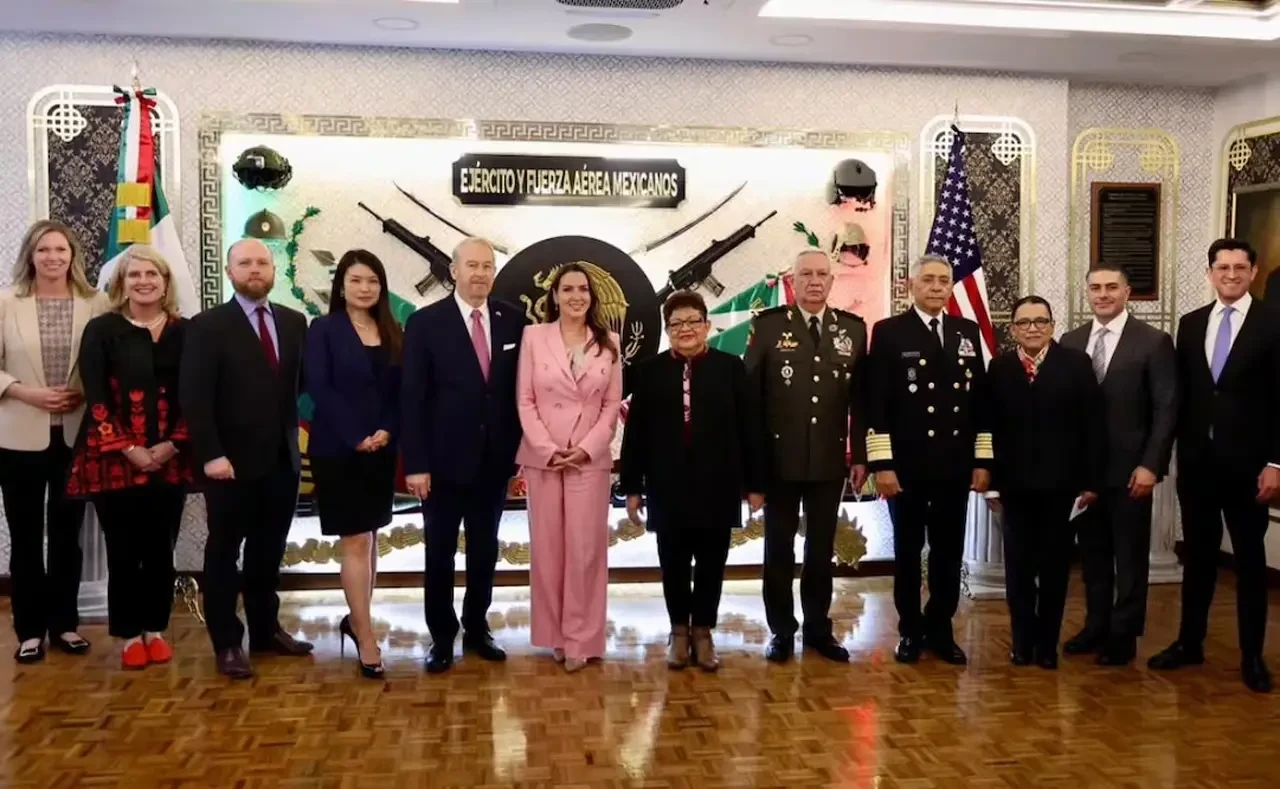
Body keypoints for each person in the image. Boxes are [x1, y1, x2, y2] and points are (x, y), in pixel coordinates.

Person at [1148, 238, 1280, 693]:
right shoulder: (1191, 324)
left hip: (1251, 468)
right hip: (1198, 466)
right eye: (1222, 267)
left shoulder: (1273, 322)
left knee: (1250, 562)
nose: (1231, 275)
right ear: (1210, 273)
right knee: (1199, 559)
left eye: (1239, 267)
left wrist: (1276, 462)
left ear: (1253, 272)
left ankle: (1252, 657)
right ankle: (1190, 644)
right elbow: (1183, 396)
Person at [179, 238, 312, 680]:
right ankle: (227, 642)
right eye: (244, 263)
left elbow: (300, 387)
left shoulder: (294, 322)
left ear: (272, 269)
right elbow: (195, 397)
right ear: (230, 271)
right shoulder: (207, 325)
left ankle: (266, 630)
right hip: (229, 465)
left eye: (261, 262)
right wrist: (211, 454)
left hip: (282, 461)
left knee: (268, 553)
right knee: (223, 553)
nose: (254, 269)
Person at [620, 291, 765, 671]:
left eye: (692, 322)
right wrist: (632, 487)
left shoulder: (731, 367)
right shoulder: (649, 371)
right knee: (673, 562)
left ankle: (703, 631)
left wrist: (755, 484)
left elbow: (749, 428)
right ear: (667, 330)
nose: (685, 329)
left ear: (707, 325)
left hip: (718, 483)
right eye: (676, 324)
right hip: (667, 485)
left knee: (712, 562)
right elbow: (636, 434)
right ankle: (679, 632)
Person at [402, 237, 528, 674]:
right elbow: (412, 398)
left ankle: (477, 626)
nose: (480, 273)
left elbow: (517, 392)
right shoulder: (424, 323)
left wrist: (518, 454)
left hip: (494, 462)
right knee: (438, 553)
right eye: (472, 265)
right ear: (453, 271)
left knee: (485, 550)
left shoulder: (513, 320)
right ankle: (441, 635)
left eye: (487, 266)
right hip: (440, 464)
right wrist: (416, 464)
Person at [66, 244, 193, 670]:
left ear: (166, 283)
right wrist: (129, 448)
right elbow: (97, 398)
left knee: (161, 549)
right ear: (121, 283)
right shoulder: (102, 330)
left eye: (152, 274)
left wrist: (173, 444)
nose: (144, 281)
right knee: (123, 550)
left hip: (171, 457)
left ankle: (155, 629)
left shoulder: (185, 332)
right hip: (114, 459)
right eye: (134, 274)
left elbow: (195, 395)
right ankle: (129, 635)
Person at [865, 253, 992, 666]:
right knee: (907, 552)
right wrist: (882, 465)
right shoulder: (889, 332)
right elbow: (877, 404)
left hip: (954, 467)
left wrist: (982, 460)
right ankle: (909, 630)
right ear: (911, 286)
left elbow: (980, 404)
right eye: (929, 280)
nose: (937, 287)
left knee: (948, 552)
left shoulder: (966, 331)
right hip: (907, 469)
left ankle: (940, 628)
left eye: (943, 280)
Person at [745, 248, 868, 664]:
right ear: (792, 281)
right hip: (779, 460)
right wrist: (754, 471)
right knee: (779, 549)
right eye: (806, 274)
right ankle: (781, 629)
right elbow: (751, 401)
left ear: (832, 281)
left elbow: (860, 401)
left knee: (820, 550)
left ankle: (817, 628)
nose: (815, 281)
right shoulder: (768, 326)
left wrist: (860, 456)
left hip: (828, 461)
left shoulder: (852, 330)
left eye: (822, 275)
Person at [0, 219, 109, 664]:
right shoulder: (6, 302)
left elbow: (106, 362)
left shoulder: (96, 302)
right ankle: (29, 631)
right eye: (43, 249)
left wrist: (84, 392)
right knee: (26, 536)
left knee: (68, 536)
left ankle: (65, 624)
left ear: (72, 256)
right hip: (17, 438)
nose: (52, 257)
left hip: (76, 435)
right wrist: (25, 392)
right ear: (30, 255)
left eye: (60, 250)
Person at [1059, 265, 1177, 665]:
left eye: (1112, 287)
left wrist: (1151, 465)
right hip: (1085, 474)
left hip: (1132, 472)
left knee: (1129, 557)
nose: (1103, 294)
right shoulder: (1072, 341)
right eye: (1096, 287)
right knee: (1092, 556)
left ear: (1127, 292)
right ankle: (1096, 625)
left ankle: (1123, 635)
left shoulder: (1153, 341)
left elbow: (1166, 409)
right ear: (1087, 293)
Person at [985, 296, 1105, 670]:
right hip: (1014, 489)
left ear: (1052, 326)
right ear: (1013, 329)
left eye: (1040, 321)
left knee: (1054, 570)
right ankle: (1022, 643)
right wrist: (991, 483)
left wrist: (1091, 482)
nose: (1033, 328)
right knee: (1018, 571)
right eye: (1024, 322)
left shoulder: (1076, 363)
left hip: (1061, 488)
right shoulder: (1000, 367)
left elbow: (1092, 426)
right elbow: (988, 427)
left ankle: (1047, 646)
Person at [515, 263, 623, 673]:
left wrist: (587, 448)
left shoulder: (609, 342)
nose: (576, 296)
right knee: (548, 550)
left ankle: (581, 638)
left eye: (583, 289)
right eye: (567, 289)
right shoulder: (533, 336)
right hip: (543, 457)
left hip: (588, 459)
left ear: (592, 297)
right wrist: (547, 448)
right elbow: (524, 399)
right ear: (555, 296)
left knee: (584, 551)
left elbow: (611, 404)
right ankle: (555, 635)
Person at [303, 250, 402, 680]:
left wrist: (387, 430)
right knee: (356, 540)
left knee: (372, 535)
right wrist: (355, 434)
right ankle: (365, 635)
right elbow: (319, 387)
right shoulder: (323, 329)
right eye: (357, 280)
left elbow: (401, 390)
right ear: (341, 286)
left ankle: (357, 617)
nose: (365, 288)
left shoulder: (392, 330)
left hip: (381, 449)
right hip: (339, 449)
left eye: (373, 281)